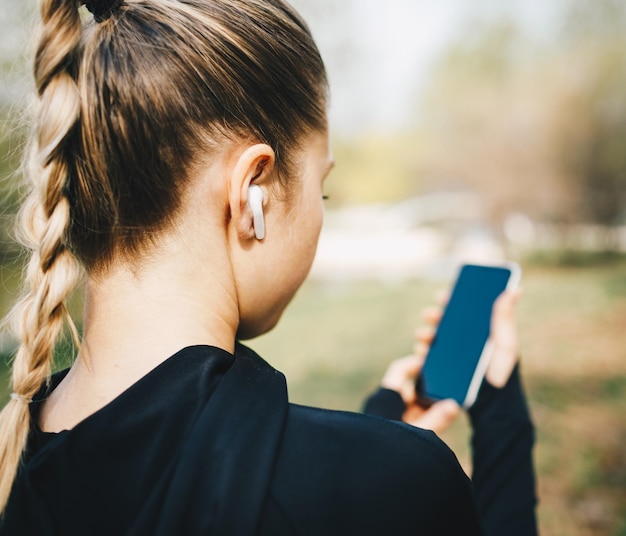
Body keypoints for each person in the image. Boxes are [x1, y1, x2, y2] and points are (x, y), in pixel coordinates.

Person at [0, 0, 537, 534]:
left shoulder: (12, 460)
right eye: (320, 187)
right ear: (252, 191)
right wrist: (495, 416)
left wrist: (368, 437)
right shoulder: (397, 481)